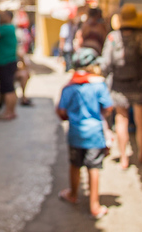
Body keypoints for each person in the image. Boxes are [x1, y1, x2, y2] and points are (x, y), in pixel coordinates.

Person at [56, 51, 113, 219]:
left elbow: (61, 110)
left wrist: (70, 117)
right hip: (95, 134)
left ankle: (73, 194)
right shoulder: (98, 85)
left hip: (75, 133)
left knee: (75, 164)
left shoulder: (69, 86)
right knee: (93, 167)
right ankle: (94, 205)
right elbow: (108, 107)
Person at [99, 4, 142, 169]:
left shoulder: (112, 38)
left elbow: (105, 64)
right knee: (141, 121)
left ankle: (124, 158)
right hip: (139, 84)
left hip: (118, 85)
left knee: (121, 120)